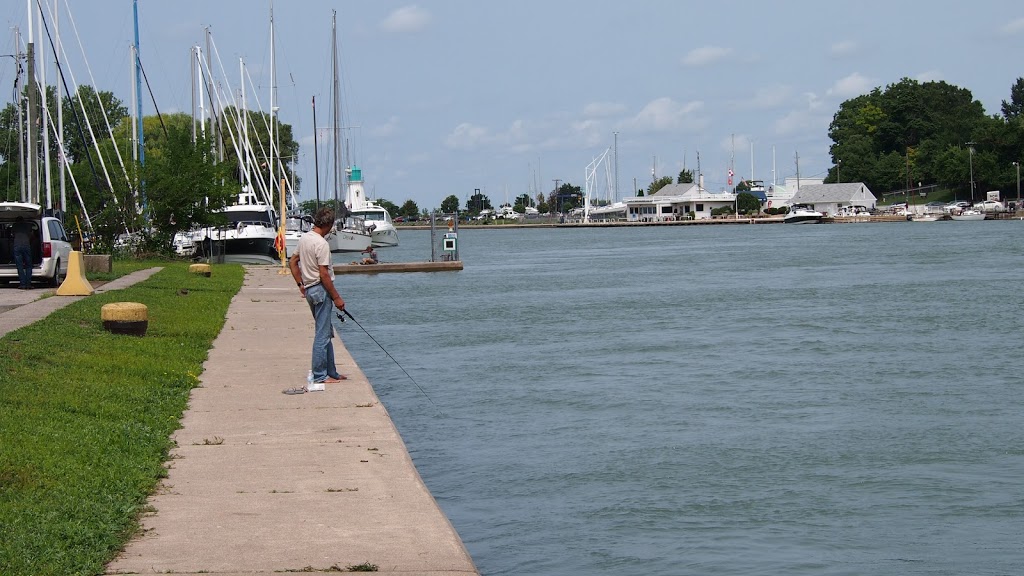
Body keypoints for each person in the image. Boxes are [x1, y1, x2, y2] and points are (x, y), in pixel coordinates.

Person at [288, 206, 348, 386]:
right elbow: (324, 274)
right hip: (320, 290)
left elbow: (293, 262)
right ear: (328, 224)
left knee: (326, 331)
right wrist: (337, 297)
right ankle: (320, 375)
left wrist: (300, 284)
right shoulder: (321, 244)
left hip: (309, 290)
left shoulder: (305, 238)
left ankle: (332, 372)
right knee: (322, 335)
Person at [12, 216, 33, 290]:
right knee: (28, 265)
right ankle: (28, 284)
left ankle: (22, 284)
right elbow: (31, 235)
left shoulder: (14, 226)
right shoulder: (28, 225)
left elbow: (12, 235)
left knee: (19, 265)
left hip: (17, 246)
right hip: (26, 245)